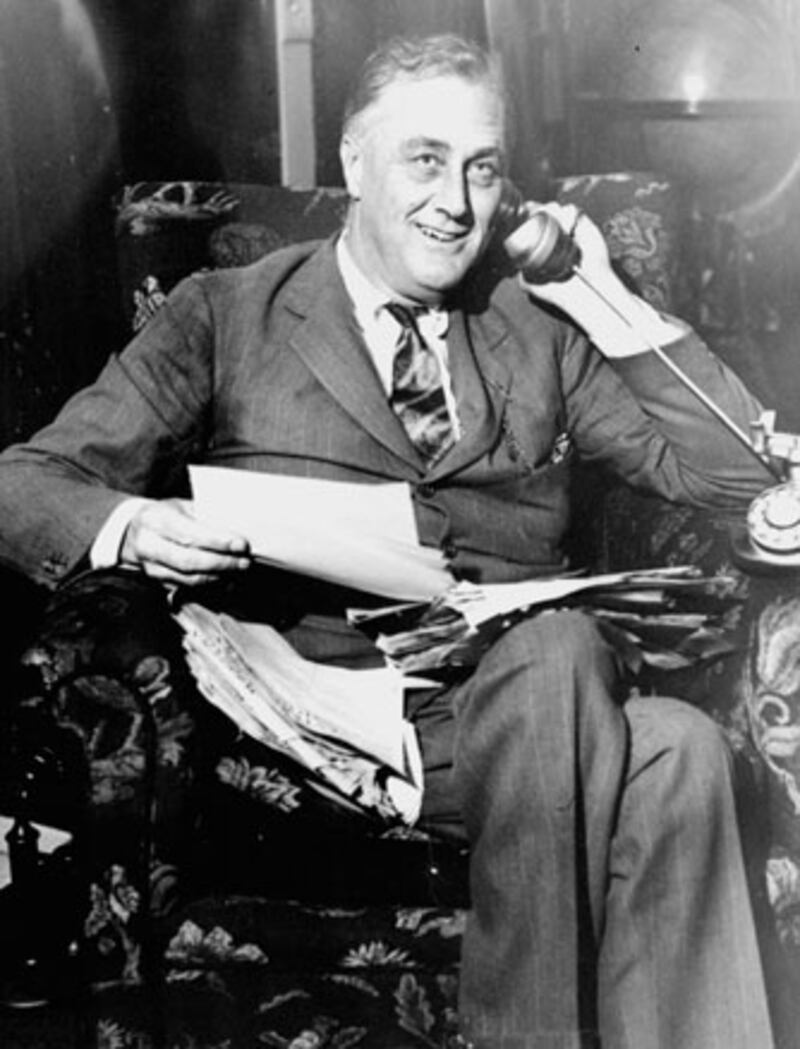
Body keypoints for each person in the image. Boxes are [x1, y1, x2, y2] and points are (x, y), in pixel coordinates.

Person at [0, 32, 778, 1049]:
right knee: (598, 684)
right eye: (424, 159)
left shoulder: (536, 326)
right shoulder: (229, 314)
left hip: (533, 709)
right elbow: (22, 481)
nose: (456, 202)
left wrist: (606, 295)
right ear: (355, 162)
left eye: (483, 167)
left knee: (679, 750)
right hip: (330, 714)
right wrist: (133, 524)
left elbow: (735, 476)